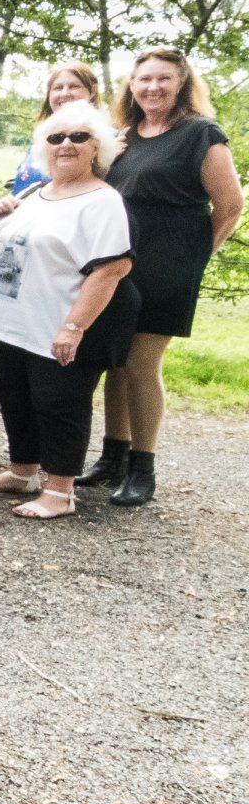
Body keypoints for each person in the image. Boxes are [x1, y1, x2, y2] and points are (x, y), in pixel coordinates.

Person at [0, 101, 139, 519]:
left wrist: (74, 327)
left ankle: (60, 492)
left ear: (97, 148)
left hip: (56, 323)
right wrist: (4, 215)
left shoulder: (102, 201)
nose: (66, 144)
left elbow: (110, 268)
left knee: (59, 403)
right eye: (56, 137)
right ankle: (22, 472)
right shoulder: (36, 191)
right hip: (11, 322)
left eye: (80, 137)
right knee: (13, 396)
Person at [88, 48, 243, 505]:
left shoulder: (201, 134)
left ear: (182, 84)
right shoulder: (122, 137)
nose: (153, 87)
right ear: (131, 87)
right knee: (115, 362)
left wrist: (195, 258)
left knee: (140, 363)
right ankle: (110, 459)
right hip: (120, 263)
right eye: (144, 79)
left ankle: (143, 467)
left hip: (170, 266)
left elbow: (230, 206)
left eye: (164, 79)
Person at [7, 61, 101, 193]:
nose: (64, 93)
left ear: (92, 91)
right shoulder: (42, 138)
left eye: (74, 86)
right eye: (58, 87)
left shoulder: (105, 141)